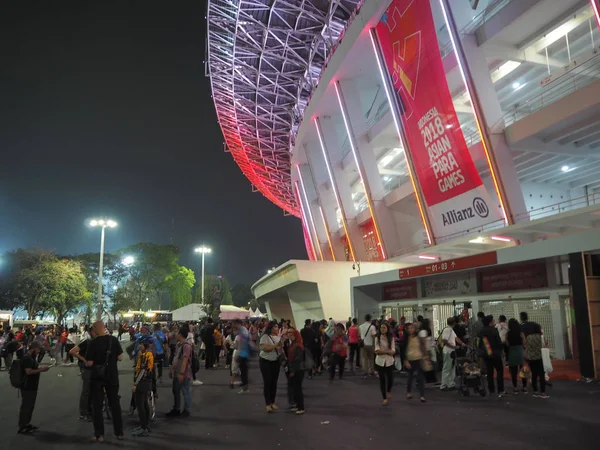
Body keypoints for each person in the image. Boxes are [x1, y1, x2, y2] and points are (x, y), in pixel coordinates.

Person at [85, 321, 124, 442]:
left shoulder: (93, 343)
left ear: (96, 329)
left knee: (97, 405)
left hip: (97, 378)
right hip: (112, 376)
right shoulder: (113, 340)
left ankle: (99, 434)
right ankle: (119, 433)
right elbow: (120, 357)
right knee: (115, 404)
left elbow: (90, 362)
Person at [17, 341, 49, 434]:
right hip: (27, 386)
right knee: (26, 406)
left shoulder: (31, 358)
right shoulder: (27, 358)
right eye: (38, 350)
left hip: (32, 385)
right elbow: (28, 372)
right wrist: (42, 369)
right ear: (34, 348)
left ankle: (26, 423)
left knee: (30, 406)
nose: (39, 352)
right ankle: (22, 425)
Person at [70, 325, 97, 421]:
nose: (96, 333)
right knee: (86, 391)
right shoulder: (86, 342)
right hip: (86, 369)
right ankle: (83, 412)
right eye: (94, 331)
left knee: (92, 390)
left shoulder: (96, 342)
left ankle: (90, 409)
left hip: (94, 369)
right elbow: (72, 351)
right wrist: (84, 360)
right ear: (90, 332)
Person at [167, 325, 194, 417]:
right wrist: (172, 370)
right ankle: (176, 408)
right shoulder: (179, 344)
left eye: (177, 333)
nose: (176, 334)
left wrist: (182, 373)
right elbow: (175, 358)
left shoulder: (186, 346)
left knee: (185, 390)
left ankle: (186, 410)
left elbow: (185, 360)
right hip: (177, 372)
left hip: (184, 373)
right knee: (176, 390)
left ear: (181, 334)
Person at [521, 314, 548, 399]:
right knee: (541, 375)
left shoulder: (528, 337)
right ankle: (543, 392)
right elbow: (544, 345)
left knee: (534, 374)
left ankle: (535, 391)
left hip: (531, 358)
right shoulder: (541, 337)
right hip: (540, 357)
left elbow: (526, 346)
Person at [131, 336, 154, 437]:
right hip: (146, 382)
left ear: (145, 345)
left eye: (140, 344)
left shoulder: (146, 355)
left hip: (142, 383)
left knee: (140, 406)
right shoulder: (147, 354)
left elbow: (143, 371)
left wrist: (136, 384)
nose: (139, 346)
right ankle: (145, 425)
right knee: (144, 404)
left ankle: (144, 428)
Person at [478, 315, 505, 397]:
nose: (494, 322)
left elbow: (481, 344)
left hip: (487, 355)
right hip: (496, 354)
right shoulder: (494, 330)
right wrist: (500, 350)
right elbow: (498, 342)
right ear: (490, 322)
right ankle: (500, 390)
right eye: (493, 321)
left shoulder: (481, 331)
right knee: (499, 371)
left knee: (489, 373)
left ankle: (491, 390)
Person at [259, 321, 283, 413]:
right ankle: (267, 404)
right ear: (271, 328)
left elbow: (280, 350)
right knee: (267, 382)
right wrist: (276, 345)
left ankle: (272, 402)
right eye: (276, 327)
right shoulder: (265, 337)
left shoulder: (278, 338)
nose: (277, 328)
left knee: (274, 382)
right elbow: (265, 348)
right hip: (265, 361)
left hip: (275, 361)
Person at [374, 322, 395, 405]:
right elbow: (377, 351)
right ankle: (384, 398)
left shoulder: (391, 338)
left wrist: (384, 351)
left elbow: (393, 351)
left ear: (387, 329)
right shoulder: (377, 338)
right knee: (382, 380)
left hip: (389, 361)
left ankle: (389, 391)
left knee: (390, 379)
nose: (382, 329)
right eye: (381, 328)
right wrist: (387, 351)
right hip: (380, 362)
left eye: (384, 328)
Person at [440, 317, 464, 390]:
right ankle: (444, 385)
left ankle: (450, 384)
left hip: (451, 351)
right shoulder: (447, 330)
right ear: (454, 323)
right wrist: (454, 346)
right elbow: (444, 341)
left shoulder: (450, 330)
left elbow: (456, 338)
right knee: (447, 368)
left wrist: (463, 344)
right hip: (448, 351)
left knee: (452, 368)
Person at [405, 323, 427, 403]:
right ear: (407, 330)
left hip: (419, 358)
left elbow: (423, 346)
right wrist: (406, 360)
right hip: (410, 359)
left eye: (412, 328)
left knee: (421, 378)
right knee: (410, 377)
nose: (411, 329)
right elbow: (404, 349)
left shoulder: (418, 337)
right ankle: (409, 392)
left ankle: (422, 396)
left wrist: (425, 356)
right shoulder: (406, 338)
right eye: (409, 328)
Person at [285, 328, 305, 415]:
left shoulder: (298, 345)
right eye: (288, 334)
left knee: (297, 389)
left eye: (291, 334)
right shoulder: (293, 344)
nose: (289, 336)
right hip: (293, 368)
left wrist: (293, 371)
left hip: (298, 370)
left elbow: (298, 359)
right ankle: (297, 405)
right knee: (294, 388)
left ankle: (301, 407)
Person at [506, 318, 527, 395]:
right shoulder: (521, 333)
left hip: (512, 352)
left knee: (513, 372)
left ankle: (515, 388)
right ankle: (524, 387)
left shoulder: (508, 334)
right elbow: (524, 342)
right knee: (523, 370)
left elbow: (507, 344)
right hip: (520, 351)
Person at [232, 319, 251, 393]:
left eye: (234, 324)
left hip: (243, 354)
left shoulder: (242, 331)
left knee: (243, 372)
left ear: (237, 323)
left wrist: (239, 354)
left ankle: (245, 389)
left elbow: (244, 343)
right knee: (243, 371)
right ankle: (245, 387)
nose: (233, 325)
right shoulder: (243, 330)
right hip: (243, 353)